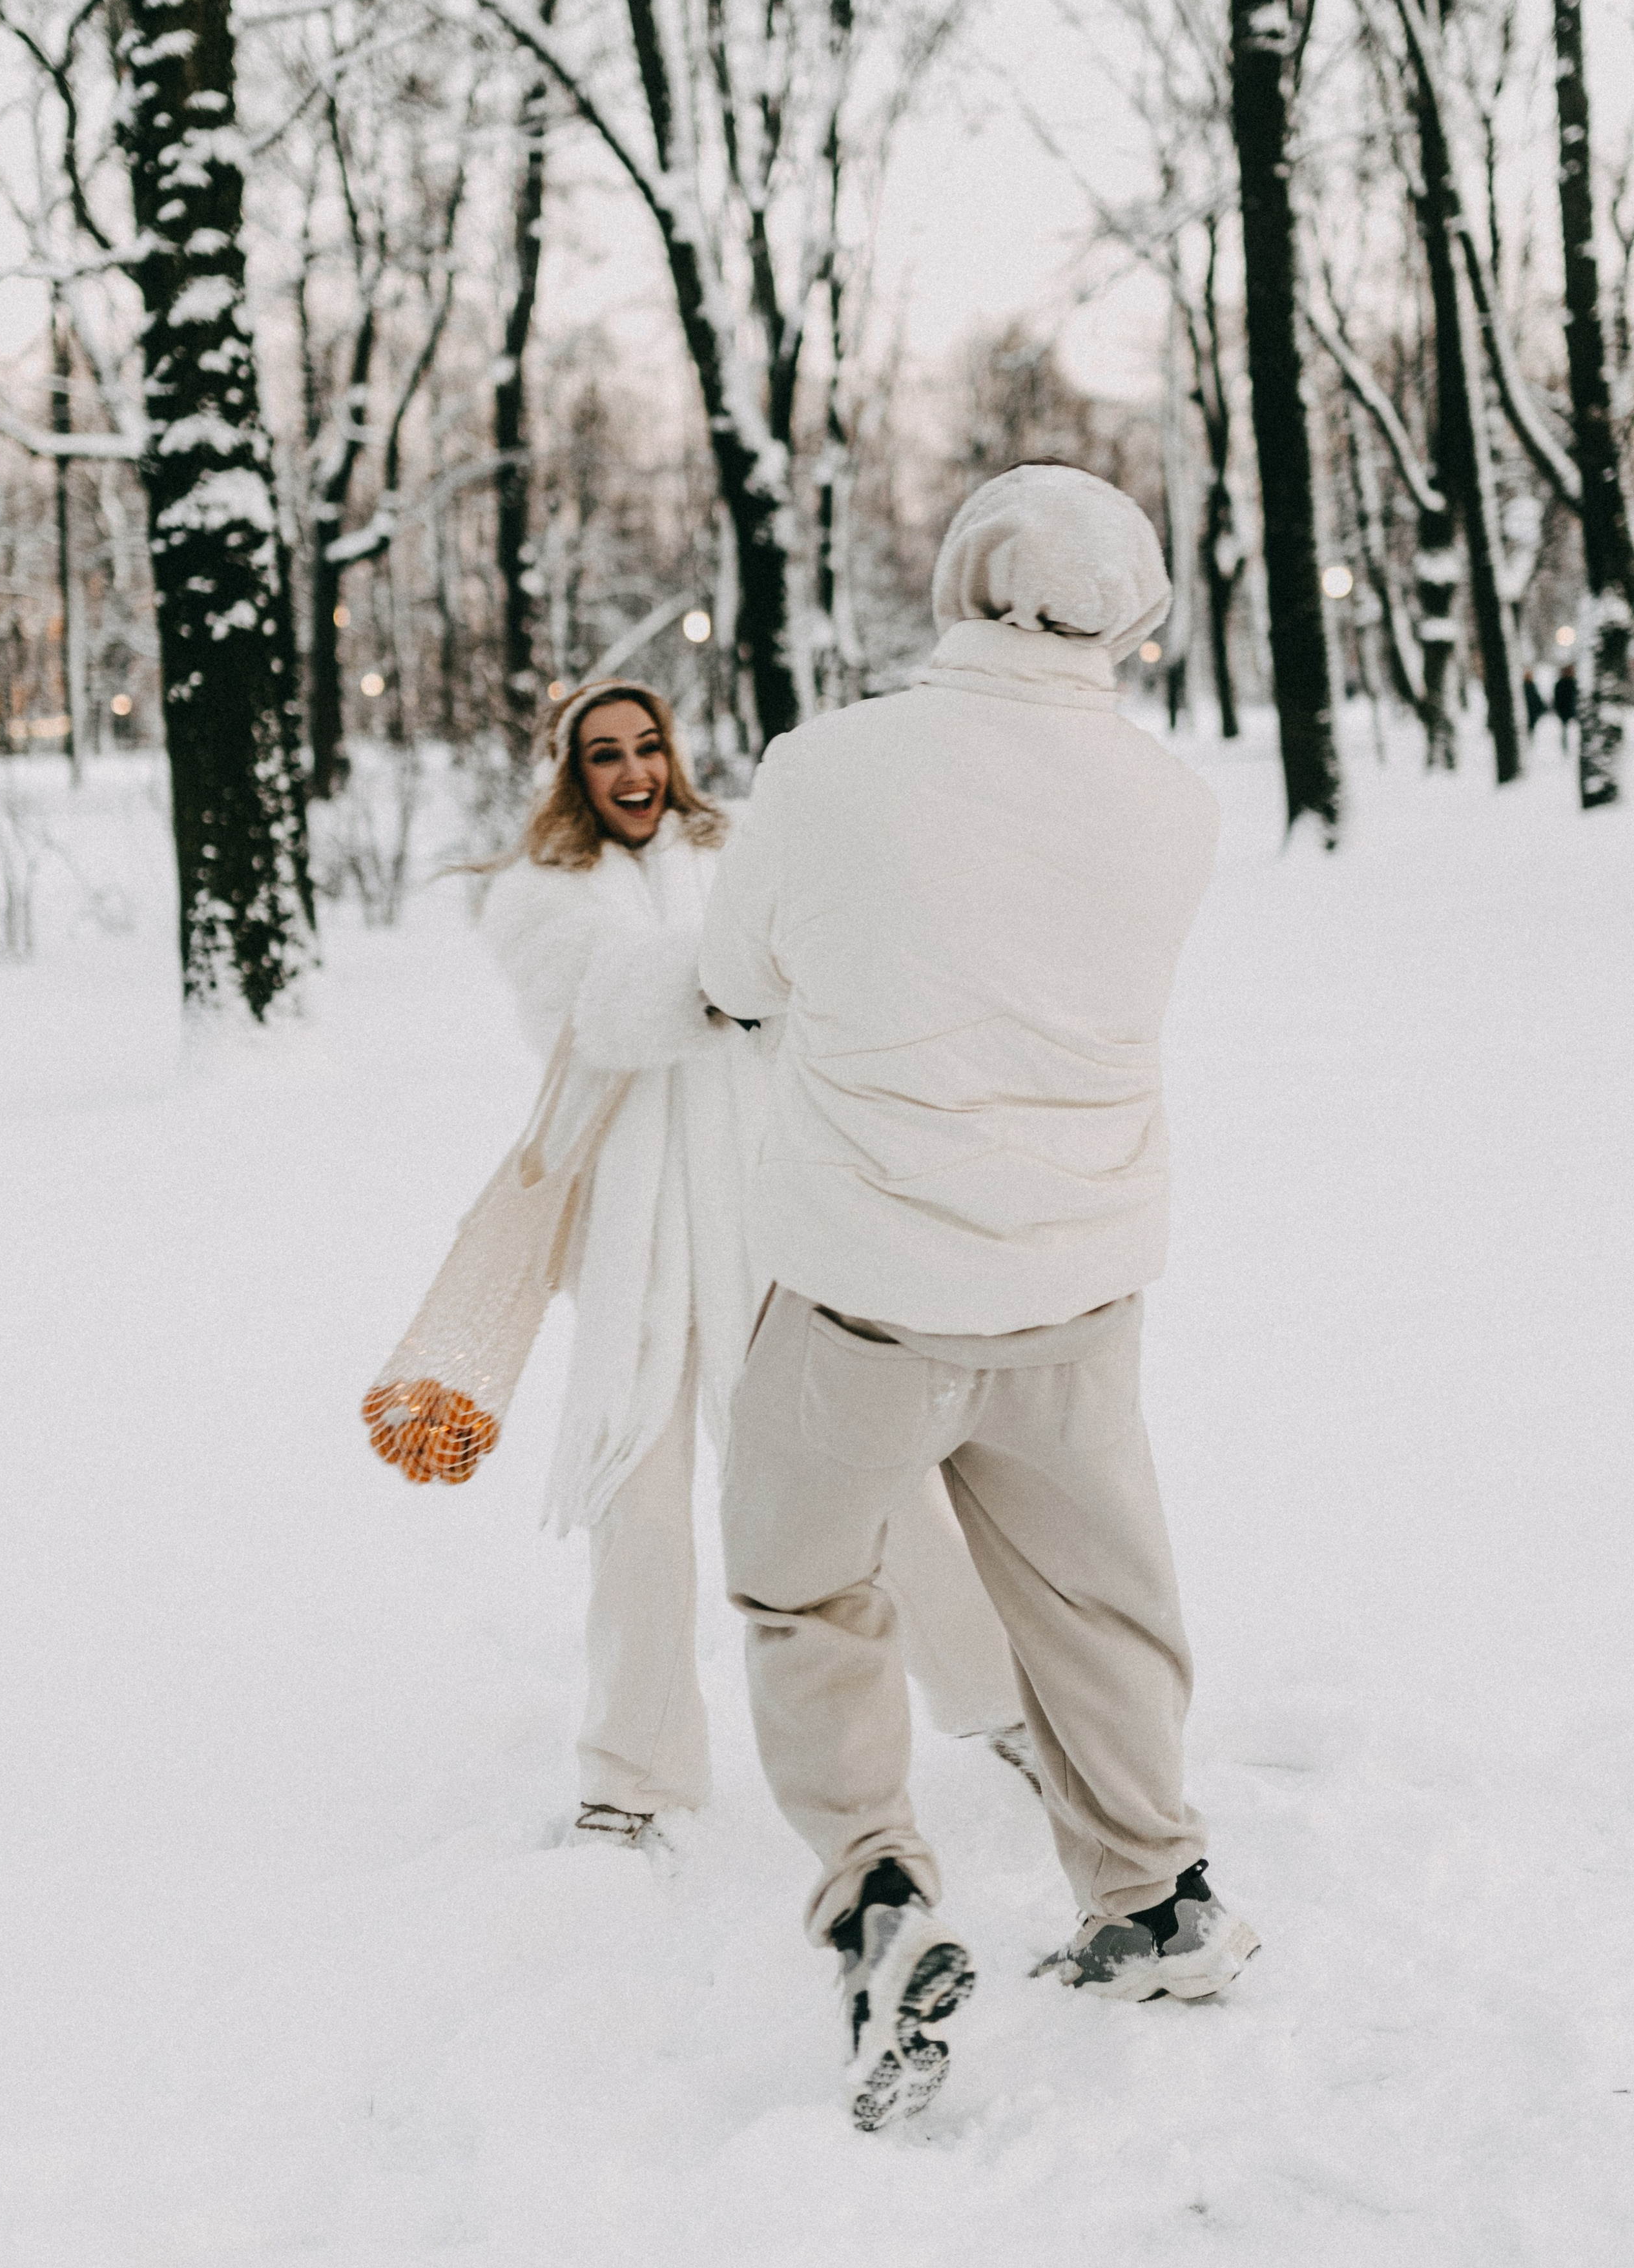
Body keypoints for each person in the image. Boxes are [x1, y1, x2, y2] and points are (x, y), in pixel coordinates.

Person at [699, 466, 1259, 2131]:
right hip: (1074, 1291)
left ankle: (875, 1891)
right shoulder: (1172, 804)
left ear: (956, 582)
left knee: (806, 1593)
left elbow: (738, 979)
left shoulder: (827, 770)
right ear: (1133, 617)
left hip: (861, 1294)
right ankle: (1153, 1896)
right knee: (1094, 1608)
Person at [482, 678, 1031, 1850]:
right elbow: (604, 1008)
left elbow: (818, 985)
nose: (632, 771)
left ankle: (1006, 1705)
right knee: (636, 1512)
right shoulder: (539, 897)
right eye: (603, 755)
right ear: (570, 773)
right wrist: (746, 966)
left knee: (873, 1483)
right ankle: (632, 1779)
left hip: (768, 1230)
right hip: (638, 1255)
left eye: (647, 746)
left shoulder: (734, 844)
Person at [1553, 662, 1579, 748]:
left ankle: (1569, 746)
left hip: (1571, 711)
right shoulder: (1563, 684)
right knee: (1566, 731)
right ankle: (1566, 746)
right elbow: (1558, 699)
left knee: (1571, 731)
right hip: (1565, 711)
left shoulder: (1573, 683)